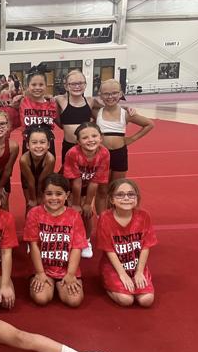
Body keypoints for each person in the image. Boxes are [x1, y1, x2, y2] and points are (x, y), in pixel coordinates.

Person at [24, 173, 87, 307]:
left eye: (59, 194)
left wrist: (70, 274)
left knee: (74, 301)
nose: (54, 198)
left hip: (66, 268)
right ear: (42, 195)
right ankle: (48, 282)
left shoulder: (74, 216)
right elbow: (33, 245)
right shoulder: (34, 213)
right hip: (43, 268)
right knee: (41, 298)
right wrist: (40, 273)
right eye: (49, 194)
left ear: (67, 195)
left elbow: (76, 248)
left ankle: (60, 283)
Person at [94, 79, 154, 213]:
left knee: (117, 189)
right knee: (102, 190)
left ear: (121, 93)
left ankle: (114, 216)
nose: (110, 97)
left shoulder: (125, 114)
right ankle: (101, 218)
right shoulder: (96, 112)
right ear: (100, 95)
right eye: (106, 94)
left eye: (114, 93)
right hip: (102, 155)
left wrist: (132, 139)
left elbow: (149, 124)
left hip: (119, 154)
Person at [97, 179, 157, 307]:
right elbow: (109, 250)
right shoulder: (105, 218)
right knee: (126, 300)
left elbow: (146, 246)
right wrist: (122, 274)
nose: (126, 198)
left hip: (135, 264)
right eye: (120, 195)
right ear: (112, 199)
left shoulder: (144, 216)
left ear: (137, 197)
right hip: (114, 266)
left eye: (131, 194)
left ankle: (133, 280)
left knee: (146, 300)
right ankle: (107, 284)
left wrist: (139, 272)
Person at [63, 122, 110, 258]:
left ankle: (86, 240)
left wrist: (88, 203)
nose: (90, 140)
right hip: (70, 184)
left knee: (88, 213)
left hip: (88, 183)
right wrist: (76, 203)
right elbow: (76, 181)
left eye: (94, 136)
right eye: (85, 138)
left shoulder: (104, 153)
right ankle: (67, 238)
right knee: (70, 211)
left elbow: (95, 181)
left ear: (101, 138)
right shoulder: (73, 153)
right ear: (78, 141)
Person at [13, 64, 57, 157]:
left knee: (49, 166)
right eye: (33, 85)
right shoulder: (21, 101)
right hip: (29, 143)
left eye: (41, 85)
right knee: (26, 166)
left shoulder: (52, 103)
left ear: (46, 86)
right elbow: (4, 107)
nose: (37, 87)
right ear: (28, 86)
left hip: (47, 144)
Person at [55, 70, 95, 166]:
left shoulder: (90, 101)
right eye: (73, 84)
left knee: (86, 171)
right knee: (68, 172)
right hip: (69, 145)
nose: (77, 86)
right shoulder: (60, 100)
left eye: (80, 83)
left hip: (87, 146)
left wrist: (126, 108)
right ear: (66, 86)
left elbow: (107, 107)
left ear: (85, 85)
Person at [20, 124, 56, 212]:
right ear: (27, 145)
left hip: (43, 181)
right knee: (30, 204)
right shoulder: (24, 160)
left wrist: (40, 198)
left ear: (48, 145)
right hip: (28, 180)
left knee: (42, 204)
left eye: (42, 142)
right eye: (34, 142)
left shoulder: (50, 159)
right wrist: (33, 199)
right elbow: (30, 181)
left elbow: (42, 181)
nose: (38, 146)